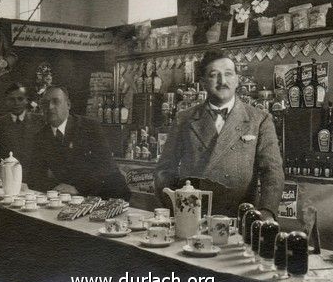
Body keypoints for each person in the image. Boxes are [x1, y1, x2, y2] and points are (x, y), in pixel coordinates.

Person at [154, 49, 284, 219]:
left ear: (237, 80)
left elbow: (272, 171)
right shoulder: (184, 119)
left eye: (229, 74)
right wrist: (176, 206)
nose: (223, 81)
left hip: (239, 217)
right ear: (203, 82)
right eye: (214, 75)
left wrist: (267, 212)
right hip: (193, 215)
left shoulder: (259, 119)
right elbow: (164, 170)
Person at [29, 85, 130, 200]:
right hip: (69, 200)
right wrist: (55, 190)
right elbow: (35, 177)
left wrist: (78, 188)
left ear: (68, 105)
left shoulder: (89, 127)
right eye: (45, 104)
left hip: (107, 196)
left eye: (56, 102)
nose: (50, 107)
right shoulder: (41, 136)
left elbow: (106, 168)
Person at [0, 83, 45, 169]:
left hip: (34, 177)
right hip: (7, 175)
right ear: (6, 101)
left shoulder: (39, 121)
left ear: (26, 100)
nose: (16, 103)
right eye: (12, 99)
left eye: (20, 99)